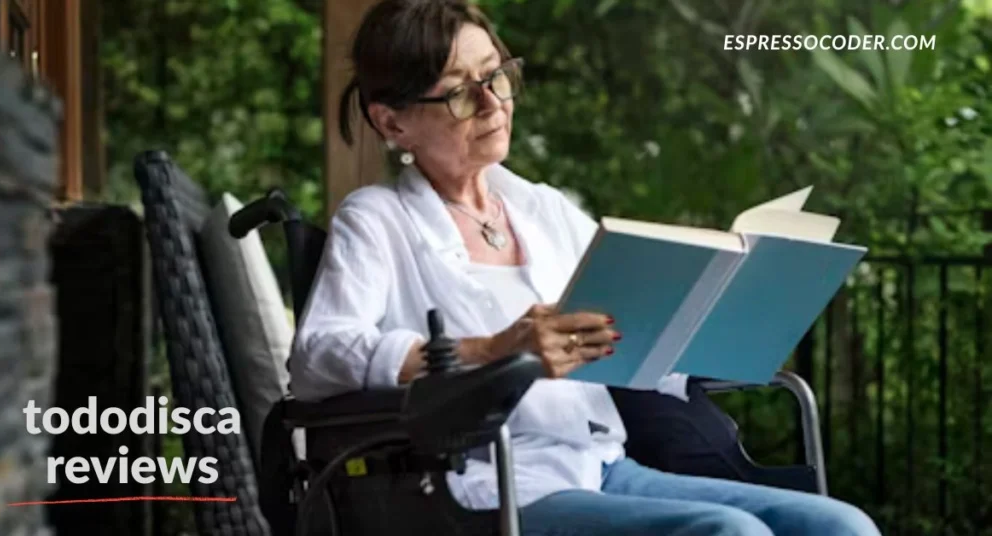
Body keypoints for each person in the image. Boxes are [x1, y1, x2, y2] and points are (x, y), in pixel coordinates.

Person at [290, 1, 881, 534]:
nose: (494, 103)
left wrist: (729, 331)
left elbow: (631, 344)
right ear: (393, 123)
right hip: (490, 485)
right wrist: (493, 349)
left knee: (837, 525)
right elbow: (319, 354)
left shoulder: (544, 210)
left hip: (600, 465)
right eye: (460, 92)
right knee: (732, 535)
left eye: (496, 74)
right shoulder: (377, 219)